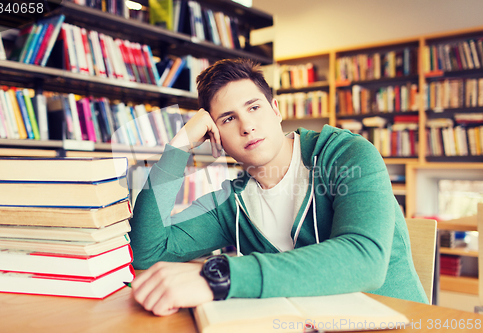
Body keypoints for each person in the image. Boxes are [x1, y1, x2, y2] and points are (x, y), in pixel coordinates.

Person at [128, 58, 428, 316]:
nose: (247, 126)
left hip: (401, 323)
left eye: (254, 107)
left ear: (275, 109)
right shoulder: (231, 205)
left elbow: (365, 260)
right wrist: (179, 146)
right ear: (214, 136)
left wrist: (221, 278)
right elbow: (148, 250)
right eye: (228, 119)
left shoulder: (346, 154)